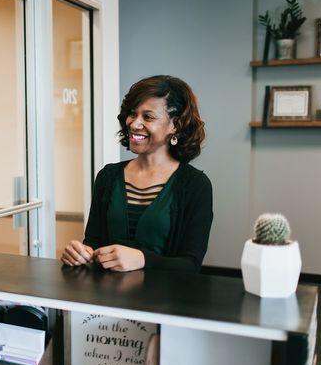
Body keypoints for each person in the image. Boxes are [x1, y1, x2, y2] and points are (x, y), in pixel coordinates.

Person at [61, 75, 213, 273]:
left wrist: (142, 259)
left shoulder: (195, 185)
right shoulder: (108, 177)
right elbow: (93, 243)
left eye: (148, 117)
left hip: (165, 302)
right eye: (132, 114)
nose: (134, 124)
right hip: (105, 299)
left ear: (175, 125)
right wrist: (80, 254)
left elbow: (190, 265)